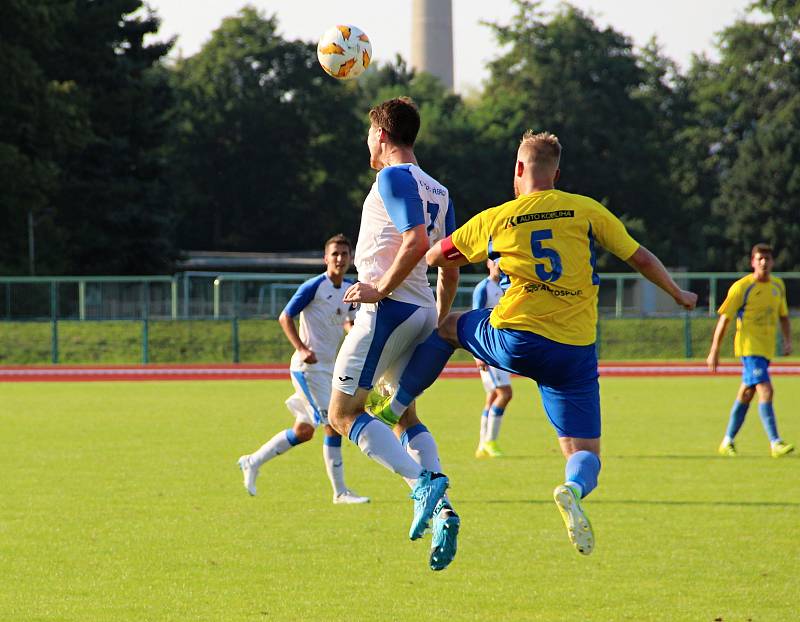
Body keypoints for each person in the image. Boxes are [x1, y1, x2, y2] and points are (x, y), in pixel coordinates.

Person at [370, 130, 698, 556]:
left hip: (515, 338)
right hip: (573, 353)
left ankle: (396, 404)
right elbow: (639, 257)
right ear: (557, 174)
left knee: (449, 326)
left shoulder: (498, 217)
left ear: (519, 169)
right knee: (586, 456)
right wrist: (678, 293)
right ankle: (572, 488)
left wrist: (457, 251)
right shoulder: (585, 210)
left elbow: (435, 257)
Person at [327, 97, 461, 571]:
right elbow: (448, 263)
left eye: (368, 134)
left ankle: (424, 484)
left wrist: (378, 289)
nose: (367, 142)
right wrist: (435, 317)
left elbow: (418, 242)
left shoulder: (392, 176)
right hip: (420, 310)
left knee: (343, 414)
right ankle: (442, 507)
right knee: (400, 415)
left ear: (381, 136)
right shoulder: (438, 190)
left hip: (389, 310)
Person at [238, 234, 369, 505]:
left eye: (345, 254)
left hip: (329, 369)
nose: (340, 259)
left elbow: (347, 322)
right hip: (308, 369)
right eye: (335, 254)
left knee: (304, 431)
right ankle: (340, 492)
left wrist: (356, 335)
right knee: (334, 423)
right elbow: (285, 316)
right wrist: (301, 348)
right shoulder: (314, 286)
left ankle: (252, 461)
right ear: (325, 258)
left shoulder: (350, 288)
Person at [706, 243, 794, 458]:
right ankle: (775, 442)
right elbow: (725, 318)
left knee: (746, 393)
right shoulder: (742, 287)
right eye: (759, 259)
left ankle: (727, 441)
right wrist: (715, 349)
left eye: (767, 259)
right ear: (752, 262)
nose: (764, 262)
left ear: (772, 262)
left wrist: (787, 340)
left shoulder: (777, 286)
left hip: (766, 350)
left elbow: (783, 316)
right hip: (749, 348)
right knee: (766, 389)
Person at [472, 259, 513, 458]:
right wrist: (478, 353)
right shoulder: (483, 288)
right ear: (489, 264)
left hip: (502, 348)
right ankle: (490, 441)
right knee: (505, 393)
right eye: (496, 263)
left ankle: (482, 444)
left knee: (492, 396)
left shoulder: (509, 286)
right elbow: (475, 320)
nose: (500, 266)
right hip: (489, 349)